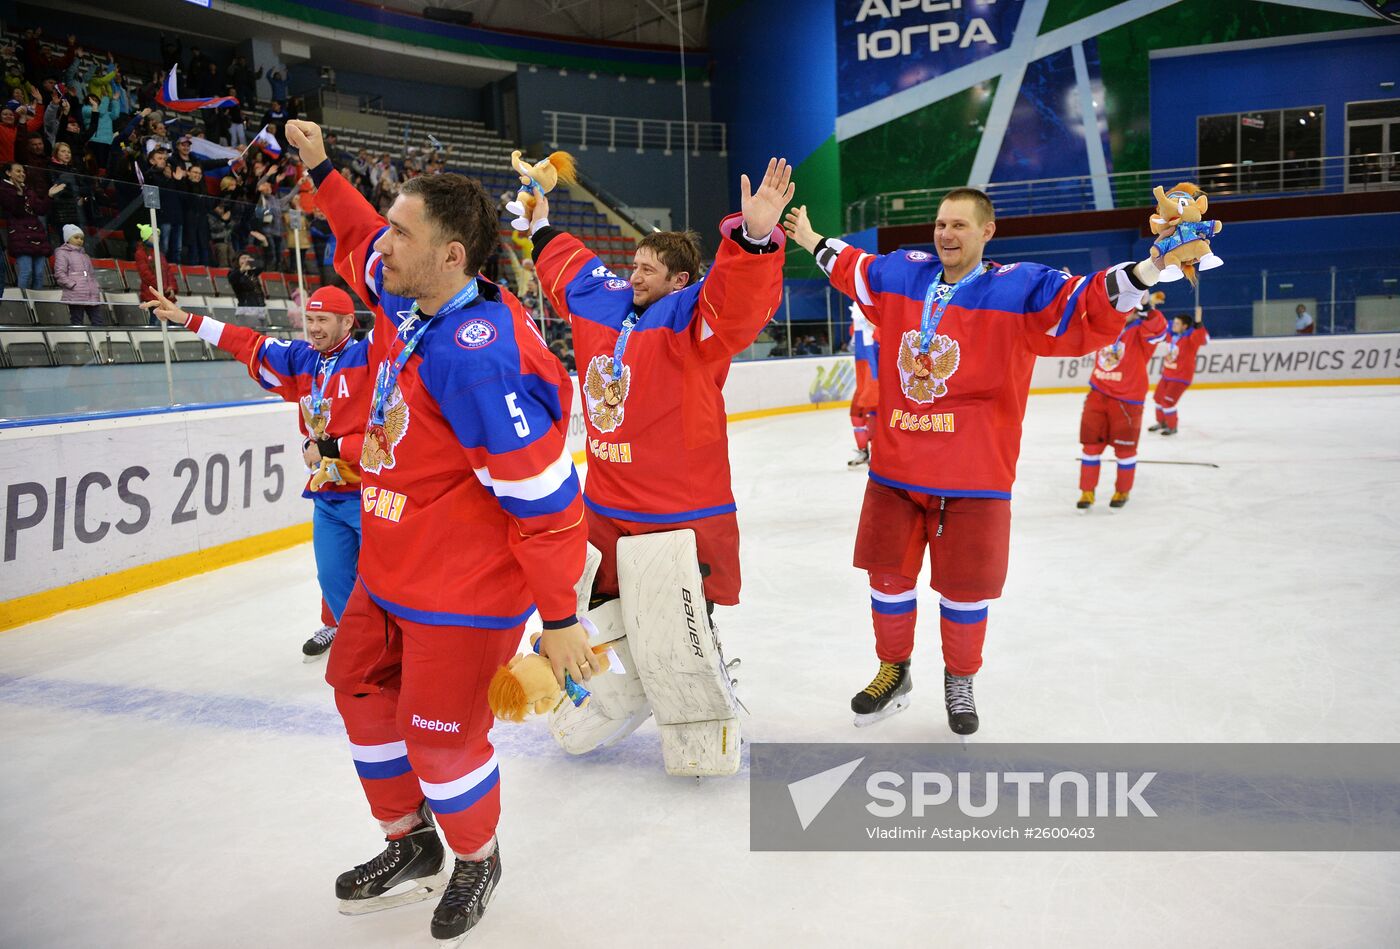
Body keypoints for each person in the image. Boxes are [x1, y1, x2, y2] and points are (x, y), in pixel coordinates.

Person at [286, 117, 593, 941]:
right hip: (391, 573)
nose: (383, 246)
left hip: (463, 594)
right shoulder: (406, 292)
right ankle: (411, 841)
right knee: (356, 687)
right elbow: (358, 235)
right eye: (391, 227)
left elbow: (546, 501)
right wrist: (322, 168)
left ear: (451, 255)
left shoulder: (479, 357)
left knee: (441, 739)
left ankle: (476, 855)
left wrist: (561, 616)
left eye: (402, 233)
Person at [783, 189, 1162, 735]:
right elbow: (854, 268)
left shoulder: (1020, 288)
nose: (946, 234)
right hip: (896, 469)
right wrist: (810, 238)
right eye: (941, 224)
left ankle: (959, 679)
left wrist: (1150, 268)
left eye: (959, 225)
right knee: (887, 577)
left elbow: (1086, 300)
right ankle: (893, 670)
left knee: (965, 590)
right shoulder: (906, 274)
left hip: (974, 476)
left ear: (987, 231)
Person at [526, 158, 791, 613]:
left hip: (679, 511)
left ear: (679, 280)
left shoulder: (694, 317)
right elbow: (572, 274)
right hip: (606, 508)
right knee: (602, 625)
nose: (634, 276)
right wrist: (540, 225)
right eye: (634, 265)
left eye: (648, 270)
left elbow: (736, 301)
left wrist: (755, 238)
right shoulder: (608, 304)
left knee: (679, 636)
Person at [143, 285, 369, 659]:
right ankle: (344, 631)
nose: (313, 328)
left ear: (347, 322)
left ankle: (387, 644)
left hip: (371, 492)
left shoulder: (370, 356)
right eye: (309, 319)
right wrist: (186, 319)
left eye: (322, 320)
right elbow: (245, 342)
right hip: (327, 492)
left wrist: (331, 448)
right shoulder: (303, 358)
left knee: (379, 577)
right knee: (331, 573)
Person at [1077, 291, 1167, 511]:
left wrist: (1148, 308)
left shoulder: (1141, 331)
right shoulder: (1103, 326)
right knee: (1090, 446)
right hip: (1098, 394)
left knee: (1125, 451)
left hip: (1127, 401)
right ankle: (1087, 491)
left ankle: (1123, 490)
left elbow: (1159, 330)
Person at [1150, 311, 1209, 436]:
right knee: (1158, 399)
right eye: (1174, 322)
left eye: (1177, 324)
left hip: (1180, 377)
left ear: (1185, 326)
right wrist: (1151, 308)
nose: (1174, 325)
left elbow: (1202, 339)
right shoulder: (1171, 334)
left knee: (1167, 402)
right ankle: (1161, 423)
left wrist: (1199, 325)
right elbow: (1158, 325)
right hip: (1167, 375)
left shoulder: (1191, 338)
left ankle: (1172, 427)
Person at [0, 161, 55, 288]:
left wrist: (49, 196)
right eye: (18, 171)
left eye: (23, 171)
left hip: (37, 235)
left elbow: (40, 210)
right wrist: (19, 195)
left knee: (39, 273)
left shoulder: (28, 190)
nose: (22, 174)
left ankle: (36, 299)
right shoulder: (4, 189)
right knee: (26, 271)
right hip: (19, 236)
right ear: (8, 173)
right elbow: (16, 211)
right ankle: (22, 298)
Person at [848, 301, 879, 469]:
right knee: (857, 413)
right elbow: (853, 333)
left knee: (874, 410)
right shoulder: (858, 305)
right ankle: (864, 451)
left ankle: (877, 453)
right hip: (864, 365)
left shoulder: (876, 302)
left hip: (874, 366)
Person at [53, 224, 103, 324]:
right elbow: (59, 273)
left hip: (91, 293)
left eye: (81, 238)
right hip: (75, 294)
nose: (79, 240)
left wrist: (96, 286)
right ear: (67, 239)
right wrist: (72, 285)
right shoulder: (62, 253)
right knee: (77, 321)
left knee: (98, 321)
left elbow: (91, 274)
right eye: (76, 237)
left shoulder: (85, 255)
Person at [134, 222, 178, 308]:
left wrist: (171, 287)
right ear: (147, 237)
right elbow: (146, 275)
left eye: (158, 236)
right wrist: (164, 287)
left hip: (165, 296)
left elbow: (168, 272)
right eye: (154, 235)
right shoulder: (140, 254)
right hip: (151, 296)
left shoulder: (159, 253)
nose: (157, 238)